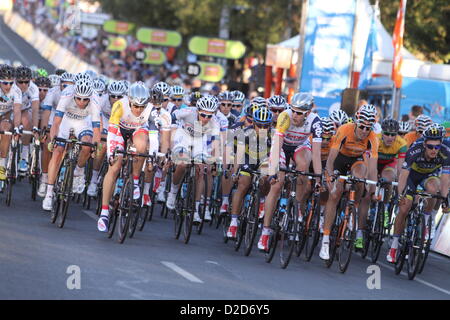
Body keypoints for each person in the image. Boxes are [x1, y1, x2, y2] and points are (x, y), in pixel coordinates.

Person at [258, 92, 323, 252]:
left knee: (303, 167)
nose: (295, 115)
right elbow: (277, 145)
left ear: (307, 113)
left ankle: (297, 205)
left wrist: (319, 177)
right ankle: (265, 232)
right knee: (277, 184)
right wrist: (273, 170)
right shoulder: (285, 117)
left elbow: (316, 153)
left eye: (299, 113)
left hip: (299, 147)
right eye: (293, 110)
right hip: (282, 146)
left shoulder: (315, 122)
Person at [319, 104, 379, 260]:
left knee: (361, 175)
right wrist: (330, 177)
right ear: (356, 122)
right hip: (339, 159)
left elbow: (372, 169)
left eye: (368, 128)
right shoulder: (344, 129)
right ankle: (325, 239)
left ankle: (354, 206)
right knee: (335, 194)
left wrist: (372, 189)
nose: (365, 131)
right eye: (362, 127)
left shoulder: (372, 137)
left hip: (355, 160)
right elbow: (330, 160)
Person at [386, 124, 450, 263]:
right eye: (430, 147)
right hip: (412, 177)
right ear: (424, 144)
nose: (434, 150)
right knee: (405, 206)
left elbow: (445, 178)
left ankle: (426, 222)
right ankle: (395, 245)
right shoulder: (415, 149)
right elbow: (403, 175)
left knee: (434, 189)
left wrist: (445, 199)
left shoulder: (446, 151)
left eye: (437, 147)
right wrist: (400, 195)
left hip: (429, 175)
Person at [97, 82, 152, 232]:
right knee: (115, 166)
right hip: (119, 131)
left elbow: (154, 138)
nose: (139, 110)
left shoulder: (150, 110)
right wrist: (111, 154)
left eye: (142, 107)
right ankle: (104, 212)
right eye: (135, 106)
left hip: (138, 130)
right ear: (129, 101)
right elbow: (111, 133)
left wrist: (151, 156)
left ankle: (134, 180)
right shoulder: (119, 106)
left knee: (141, 147)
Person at [43, 79, 101, 211]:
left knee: (87, 145)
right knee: (58, 151)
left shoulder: (95, 99)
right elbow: (56, 122)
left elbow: (96, 129)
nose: (81, 102)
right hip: (66, 121)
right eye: (78, 98)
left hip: (83, 122)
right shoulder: (67, 94)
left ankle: (79, 172)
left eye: (85, 100)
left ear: (89, 97)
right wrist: (53, 140)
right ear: (74, 94)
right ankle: (49, 193)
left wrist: (95, 147)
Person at [166, 95, 222, 223]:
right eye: (203, 115)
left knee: (201, 169)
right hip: (183, 137)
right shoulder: (188, 112)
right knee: (182, 164)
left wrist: (214, 159)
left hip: (199, 141)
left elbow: (215, 143)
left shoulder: (214, 122)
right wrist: (171, 137)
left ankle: (196, 209)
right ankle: (173, 193)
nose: (206, 119)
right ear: (197, 111)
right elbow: (172, 117)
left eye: (209, 116)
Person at [226, 107, 273, 239]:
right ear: (253, 123)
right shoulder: (245, 134)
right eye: (259, 125)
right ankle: (233, 223)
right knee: (243, 184)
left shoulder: (273, 136)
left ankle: (262, 200)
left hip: (263, 159)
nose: (262, 128)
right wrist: (235, 173)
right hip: (247, 158)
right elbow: (238, 156)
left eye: (266, 125)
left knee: (265, 179)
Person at [86, 80, 127, 197]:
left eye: (119, 96)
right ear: (108, 95)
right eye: (113, 96)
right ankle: (93, 180)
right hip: (104, 120)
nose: (115, 99)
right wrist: (101, 135)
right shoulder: (102, 101)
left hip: (119, 123)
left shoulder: (126, 104)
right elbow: (97, 121)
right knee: (102, 146)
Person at [0, 64, 22, 181]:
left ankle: (2, 165)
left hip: (6, 114)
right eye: (5, 83)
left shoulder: (16, 90)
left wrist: (17, 128)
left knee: (6, 129)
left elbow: (17, 111)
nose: (8, 86)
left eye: (11, 83)